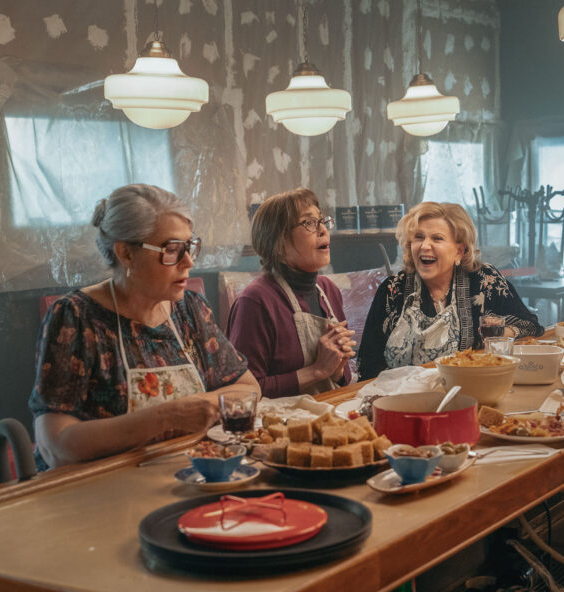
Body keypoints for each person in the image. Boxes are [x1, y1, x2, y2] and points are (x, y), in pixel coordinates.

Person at [29, 184, 259, 471]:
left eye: (190, 247)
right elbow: (57, 445)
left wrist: (203, 404)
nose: (188, 262)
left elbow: (249, 388)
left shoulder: (190, 310)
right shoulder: (76, 318)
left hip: (187, 470)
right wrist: (166, 416)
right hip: (100, 485)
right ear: (125, 253)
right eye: (172, 250)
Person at [358, 202, 543, 379]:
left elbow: (531, 325)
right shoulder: (391, 290)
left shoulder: (485, 280)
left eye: (437, 238)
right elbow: (367, 365)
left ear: (459, 251)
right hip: (399, 397)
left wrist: (498, 336)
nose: (424, 245)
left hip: (468, 389)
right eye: (419, 237)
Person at [226, 188, 355, 397]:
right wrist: (316, 371)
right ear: (278, 243)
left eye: (322, 221)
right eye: (309, 223)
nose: (323, 230)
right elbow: (242, 394)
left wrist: (337, 369)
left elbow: (344, 380)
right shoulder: (255, 301)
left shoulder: (328, 290)